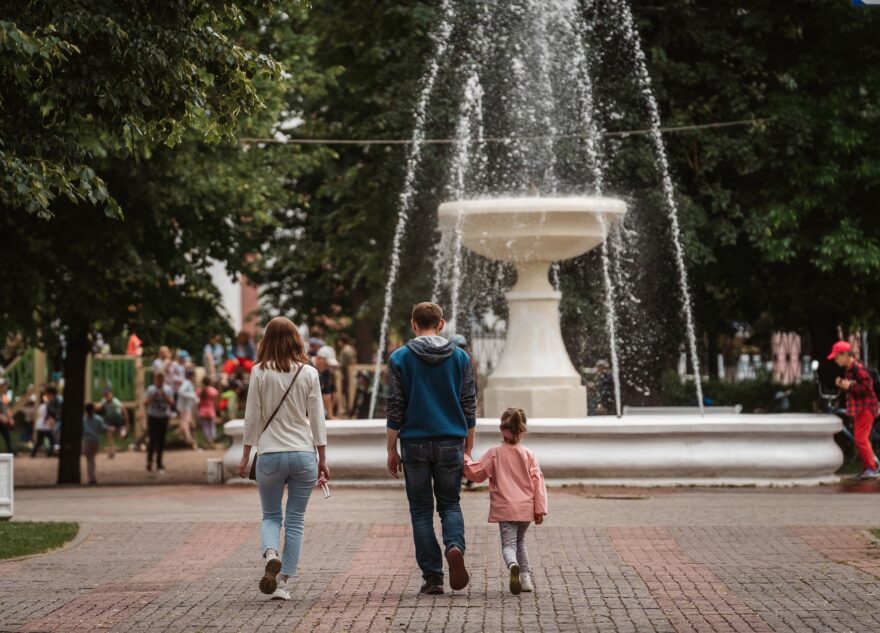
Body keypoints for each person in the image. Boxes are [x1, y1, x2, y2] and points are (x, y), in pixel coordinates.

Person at [386, 302, 477, 595]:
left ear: (414, 324)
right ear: (441, 324)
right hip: (451, 440)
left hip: (414, 443)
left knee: (421, 510)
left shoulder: (399, 357)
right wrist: (468, 446)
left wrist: (391, 449)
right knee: (450, 504)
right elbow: (469, 406)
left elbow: (395, 407)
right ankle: (454, 545)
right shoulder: (460, 357)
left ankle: (433, 577)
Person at [239, 316, 329, 601]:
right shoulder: (309, 373)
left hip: (270, 455)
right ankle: (283, 581)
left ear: (266, 341)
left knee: (271, 515)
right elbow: (317, 419)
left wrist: (244, 455)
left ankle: (270, 555)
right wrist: (323, 458)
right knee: (296, 519)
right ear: (296, 340)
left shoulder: (259, 372)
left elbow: (252, 417)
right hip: (303, 455)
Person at [463, 408, 548, 595]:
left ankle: (513, 566)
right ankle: (526, 579)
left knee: (509, 545)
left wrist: (464, 457)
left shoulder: (495, 453)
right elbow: (538, 482)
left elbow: (476, 473)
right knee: (521, 542)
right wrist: (540, 510)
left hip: (506, 507)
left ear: (502, 429)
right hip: (526, 508)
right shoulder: (529, 454)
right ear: (522, 430)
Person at [829, 341, 879, 479]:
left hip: (866, 408)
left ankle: (872, 468)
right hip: (860, 409)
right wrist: (845, 384)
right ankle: (868, 467)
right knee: (860, 438)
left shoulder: (858, 368)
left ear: (845, 354)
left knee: (860, 438)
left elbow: (867, 388)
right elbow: (857, 386)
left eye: (837, 357)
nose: (835, 359)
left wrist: (848, 386)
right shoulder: (850, 370)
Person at [144, 372, 174, 473]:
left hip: (163, 417)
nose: (159, 382)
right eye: (157, 379)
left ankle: (159, 462)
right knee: (152, 439)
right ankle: (149, 461)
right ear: (154, 379)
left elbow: (171, 403)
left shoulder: (168, 389)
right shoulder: (150, 389)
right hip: (153, 416)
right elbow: (145, 403)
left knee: (161, 440)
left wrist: (165, 396)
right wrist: (153, 396)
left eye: (161, 380)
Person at [82, 402, 111, 485]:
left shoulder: (83, 420)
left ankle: (91, 477)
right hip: (95, 440)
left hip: (87, 440)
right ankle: (92, 476)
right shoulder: (98, 419)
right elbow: (102, 428)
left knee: (89, 460)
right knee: (92, 459)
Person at [97, 387, 129, 458]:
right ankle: (112, 450)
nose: (106, 396)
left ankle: (123, 433)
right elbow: (98, 406)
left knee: (122, 435)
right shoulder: (104, 401)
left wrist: (126, 423)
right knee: (109, 433)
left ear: (111, 394)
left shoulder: (115, 401)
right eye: (105, 395)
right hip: (110, 421)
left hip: (118, 420)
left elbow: (124, 410)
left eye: (107, 394)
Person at [176, 369, 199, 450]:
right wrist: (192, 396)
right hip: (185, 407)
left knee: (185, 423)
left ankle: (180, 434)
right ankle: (189, 439)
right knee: (185, 423)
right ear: (191, 376)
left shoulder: (189, 383)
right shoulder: (187, 383)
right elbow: (181, 392)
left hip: (186, 407)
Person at [315, 346, 338, 420]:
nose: (327, 366)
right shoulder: (306, 368)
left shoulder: (326, 372)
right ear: (318, 359)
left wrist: (330, 415)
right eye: (326, 364)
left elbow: (327, 394)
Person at [336, 334, 357, 416]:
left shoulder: (346, 350)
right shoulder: (349, 349)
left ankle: (348, 410)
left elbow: (342, 364)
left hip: (347, 374)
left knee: (347, 392)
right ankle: (349, 410)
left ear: (342, 341)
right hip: (350, 374)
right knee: (348, 392)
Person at [197, 377, 220, 447]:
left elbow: (197, 402)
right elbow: (216, 403)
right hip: (211, 411)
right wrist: (218, 411)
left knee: (205, 427)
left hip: (202, 411)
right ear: (210, 382)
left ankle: (208, 441)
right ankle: (212, 441)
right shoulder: (213, 391)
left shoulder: (199, 390)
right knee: (212, 427)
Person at [31, 390, 54, 457]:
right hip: (45, 426)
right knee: (51, 440)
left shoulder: (41, 406)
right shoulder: (47, 406)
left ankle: (33, 453)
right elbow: (48, 415)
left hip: (40, 425)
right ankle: (50, 453)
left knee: (39, 442)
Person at [0, 378, 13, 453]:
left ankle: (11, 452)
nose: (5, 387)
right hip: (1, 418)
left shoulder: (4, 396)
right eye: (3, 385)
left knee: (7, 436)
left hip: (3, 420)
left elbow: (7, 409)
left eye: (5, 385)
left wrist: (10, 418)